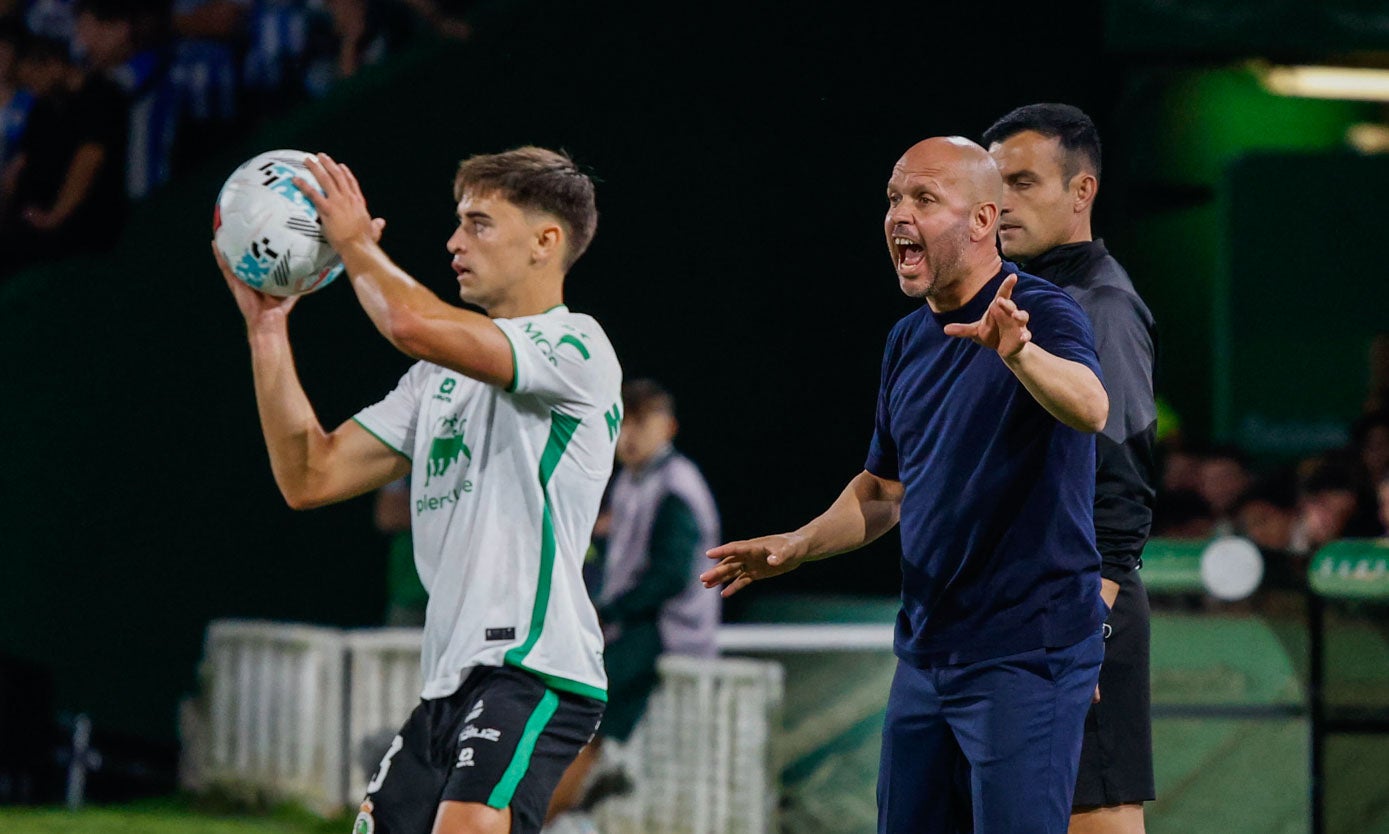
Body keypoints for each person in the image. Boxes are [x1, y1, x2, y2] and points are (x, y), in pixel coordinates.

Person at [702, 136, 1110, 834]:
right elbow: (884, 491)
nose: (899, 214)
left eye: (924, 198)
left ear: (982, 220)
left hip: (1025, 652)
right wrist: (797, 545)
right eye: (894, 197)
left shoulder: (1040, 310)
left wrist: (1020, 354)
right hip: (926, 652)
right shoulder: (906, 340)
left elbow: (1091, 407)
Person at [213, 146, 621, 834]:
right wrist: (267, 330)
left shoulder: (576, 347)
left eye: (479, 223)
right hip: (448, 681)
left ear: (545, 242)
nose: (454, 242)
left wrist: (351, 243)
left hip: (533, 666)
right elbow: (309, 475)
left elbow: (410, 323)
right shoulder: (436, 380)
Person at [983, 103, 1157, 834]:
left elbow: (1123, 482)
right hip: (1023, 614)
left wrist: (1088, 625)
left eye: (1022, 182)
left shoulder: (1100, 303)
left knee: (1095, 821)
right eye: (994, 183)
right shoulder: (1019, 299)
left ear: (1081, 191)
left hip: (1077, 611)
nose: (1001, 203)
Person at [548, 379, 721, 819]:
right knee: (571, 713)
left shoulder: (676, 484)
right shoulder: (632, 481)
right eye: (622, 422)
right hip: (635, 623)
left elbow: (669, 577)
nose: (628, 434)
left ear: (669, 427)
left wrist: (606, 612)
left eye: (641, 422)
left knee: (579, 719)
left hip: (664, 628)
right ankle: (583, 800)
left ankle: (552, 809)